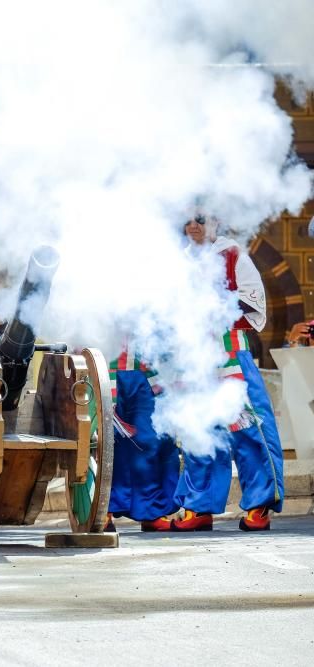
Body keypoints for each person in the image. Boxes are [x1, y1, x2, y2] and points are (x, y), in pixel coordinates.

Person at [174, 214, 285, 531]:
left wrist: (212, 300)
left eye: (200, 219)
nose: (193, 226)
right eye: (188, 220)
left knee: (251, 428)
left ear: (217, 222)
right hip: (195, 356)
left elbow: (254, 299)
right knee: (200, 429)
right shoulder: (179, 261)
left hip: (230, 348)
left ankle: (260, 504)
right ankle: (199, 506)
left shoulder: (232, 252)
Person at [105, 348, 179, 532]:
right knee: (109, 444)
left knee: (154, 442)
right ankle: (103, 510)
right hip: (108, 371)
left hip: (150, 374)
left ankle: (151, 511)